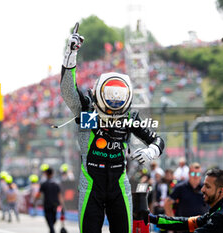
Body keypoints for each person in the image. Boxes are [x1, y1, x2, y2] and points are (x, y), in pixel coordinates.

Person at [60, 23, 164, 233]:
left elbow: (158, 140)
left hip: (119, 184)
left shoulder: (128, 117)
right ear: (99, 97)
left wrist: (151, 151)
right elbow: (67, 90)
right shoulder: (86, 110)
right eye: (109, 110)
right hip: (90, 184)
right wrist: (70, 55)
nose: (112, 116)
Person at [147, 169, 223, 233]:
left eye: (207, 186)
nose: (202, 189)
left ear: (220, 191)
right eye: (204, 185)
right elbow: (185, 222)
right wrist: (153, 218)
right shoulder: (221, 208)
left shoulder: (220, 216)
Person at [164, 163, 208, 233]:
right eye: (193, 174)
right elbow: (167, 203)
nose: (196, 176)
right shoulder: (180, 187)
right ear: (189, 174)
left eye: (198, 174)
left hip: (201, 227)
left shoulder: (205, 188)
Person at [37, 168, 64, 233]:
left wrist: (35, 201)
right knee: (54, 218)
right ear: (52, 173)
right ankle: (52, 229)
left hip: (47, 204)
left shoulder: (44, 184)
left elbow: (39, 194)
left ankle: (52, 230)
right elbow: (59, 195)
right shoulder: (56, 184)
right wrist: (62, 204)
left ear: (46, 174)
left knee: (49, 218)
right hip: (55, 204)